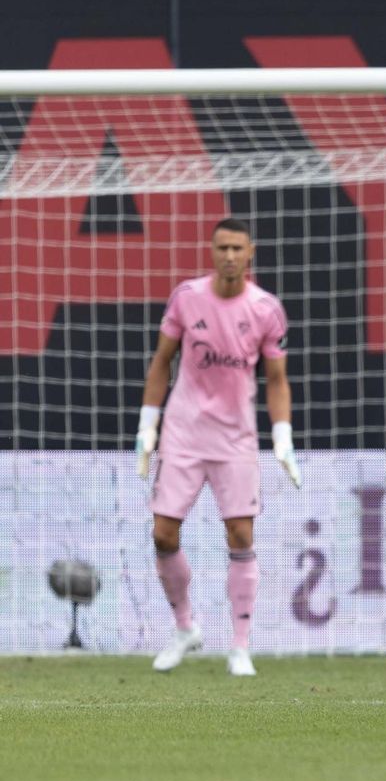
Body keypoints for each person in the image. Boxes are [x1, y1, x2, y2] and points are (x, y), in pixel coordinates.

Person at [136, 218, 301, 676]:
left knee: (241, 535)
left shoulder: (266, 309)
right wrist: (147, 427)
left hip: (236, 438)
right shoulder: (188, 298)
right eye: (222, 247)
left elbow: (278, 379)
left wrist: (282, 437)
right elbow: (161, 362)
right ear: (212, 251)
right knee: (163, 532)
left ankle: (240, 646)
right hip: (184, 432)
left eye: (237, 248)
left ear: (250, 253)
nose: (229, 255)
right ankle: (185, 627)